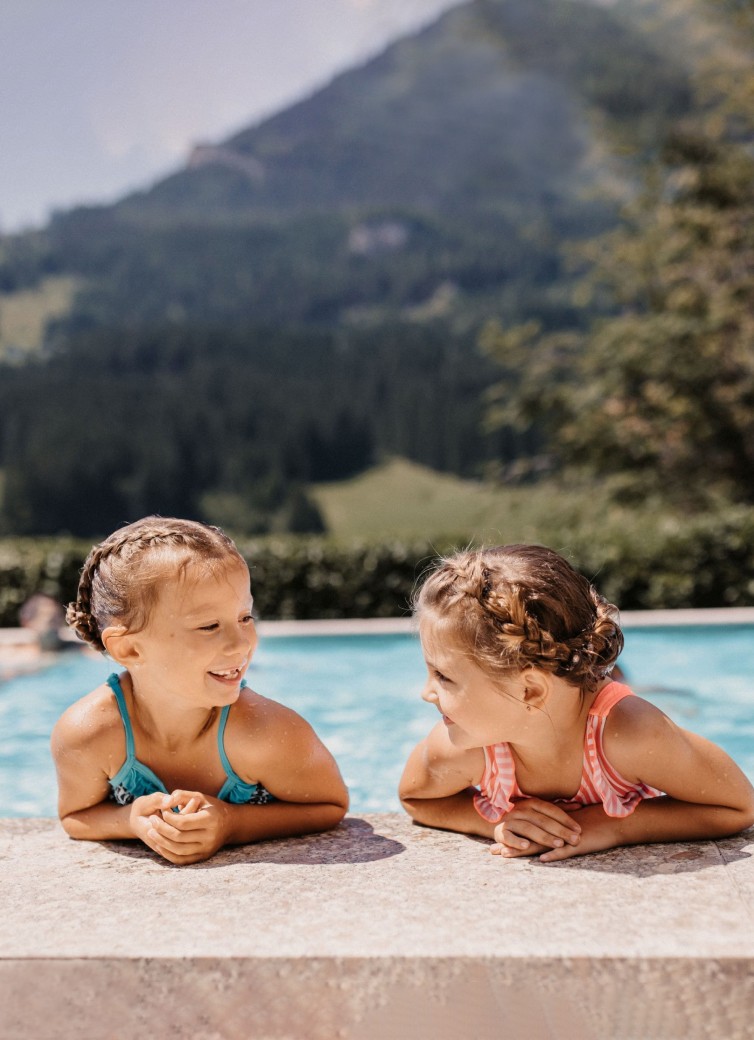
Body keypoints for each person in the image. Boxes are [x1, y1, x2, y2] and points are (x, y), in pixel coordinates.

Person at [399, 544, 754, 862]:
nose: (426, 693)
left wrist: (613, 826)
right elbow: (416, 798)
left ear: (531, 691)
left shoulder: (630, 734)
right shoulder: (468, 745)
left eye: (443, 676)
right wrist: (489, 820)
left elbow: (736, 805)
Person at [52, 516, 348, 865]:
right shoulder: (89, 734)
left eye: (245, 617)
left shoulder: (265, 733)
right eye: (209, 626)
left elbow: (331, 805)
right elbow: (76, 817)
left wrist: (231, 823)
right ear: (128, 649)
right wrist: (130, 821)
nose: (241, 644)